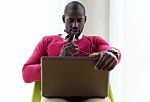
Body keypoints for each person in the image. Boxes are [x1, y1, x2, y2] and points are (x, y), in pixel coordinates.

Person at [22, 1, 121, 102]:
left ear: (85, 20)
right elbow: (26, 73)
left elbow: (112, 51)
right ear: (63, 19)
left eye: (79, 20)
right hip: (56, 97)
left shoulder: (95, 41)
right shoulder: (47, 41)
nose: (75, 25)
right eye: (70, 20)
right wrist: (59, 61)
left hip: (90, 96)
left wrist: (112, 54)